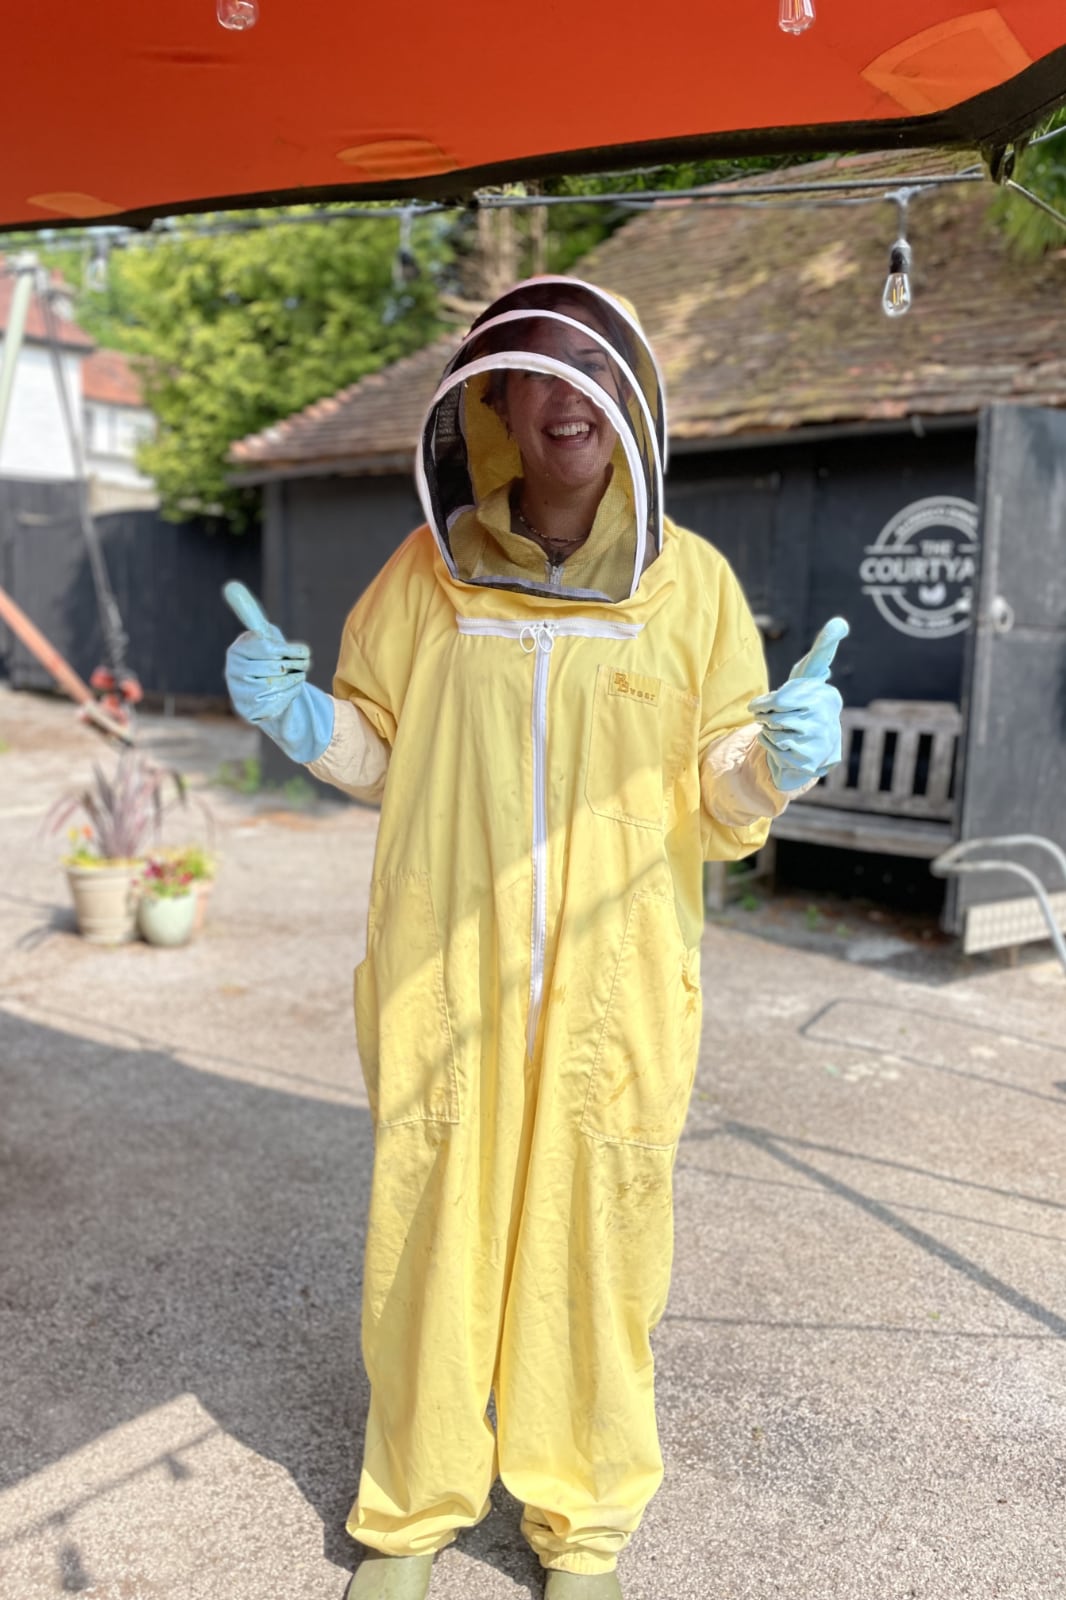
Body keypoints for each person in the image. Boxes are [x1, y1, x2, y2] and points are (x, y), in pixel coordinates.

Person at [224, 278, 847, 1600]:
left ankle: (586, 1522)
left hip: (617, 998)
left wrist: (774, 765)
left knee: (598, 1253)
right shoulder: (423, 575)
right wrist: (299, 724)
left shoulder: (694, 589)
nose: (565, 396)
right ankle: (408, 1514)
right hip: (445, 978)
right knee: (428, 1242)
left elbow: (718, 804)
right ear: (492, 406)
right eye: (535, 373)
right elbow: (377, 755)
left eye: (591, 368)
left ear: (632, 396)